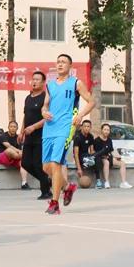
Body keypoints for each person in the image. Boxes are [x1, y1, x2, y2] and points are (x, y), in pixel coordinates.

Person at [41, 54, 95, 215]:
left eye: (63, 62)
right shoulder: (50, 85)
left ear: (70, 66)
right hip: (49, 128)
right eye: (58, 62)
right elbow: (45, 105)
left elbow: (91, 101)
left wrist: (80, 115)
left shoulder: (75, 83)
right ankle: (67, 187)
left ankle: (54, 203)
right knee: (46, 167)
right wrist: (43, 112)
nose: (60, 64)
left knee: (56, 164)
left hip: (66, 127)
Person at [19, 71, 52, 199]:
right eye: (33, 79)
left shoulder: (45, 98)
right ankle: (47, 182)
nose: (34, 81)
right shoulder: (28, 98)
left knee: (38, 164)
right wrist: (21, 132)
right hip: (28, 137)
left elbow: (47, 118)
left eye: (37, 79)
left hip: (41, 136)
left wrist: (33, 127)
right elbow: (25, 116)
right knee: (25, 163)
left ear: (43, 83)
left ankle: (45, 192)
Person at [93, 123, 132, 189]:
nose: (106, 131)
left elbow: (112, 150)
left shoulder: (109, 140)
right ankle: (106, 182)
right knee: (106, 162)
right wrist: (104, 157)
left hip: (109, 157)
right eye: (105, 129)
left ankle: (123, 182)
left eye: (108, 130)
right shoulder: (97, 140)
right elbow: (96, 153)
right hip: (101, 158)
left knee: (122, 163)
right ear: (101, 130)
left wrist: (117, 156)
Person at [0, 121, 29, 190]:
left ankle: (24, 183)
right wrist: (20, 152)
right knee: (9, 150)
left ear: (17, 128)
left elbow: (20, 150)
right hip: (3, 157)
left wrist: (21, 152)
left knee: (23, 163)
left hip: (14, 158)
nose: (12, 128)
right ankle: (28, 157)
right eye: (11, 126)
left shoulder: (18, 138)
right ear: (8, 127)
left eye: (14, 127)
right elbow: (8, 146)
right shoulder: (3, 136)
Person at [72, 120, 96, 186]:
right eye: (85, 126)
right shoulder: (77, 137)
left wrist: (95, 156)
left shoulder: (90, 136)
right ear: (82, 127)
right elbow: (75, 154)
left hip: (86, 155)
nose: (86, 128)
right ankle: (83, 166)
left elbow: (92, 151)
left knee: (98, 160)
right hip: (80, 156)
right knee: (92, 161)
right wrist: (79, 168)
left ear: (90, 127)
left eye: (88, 126)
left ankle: (98, 180)